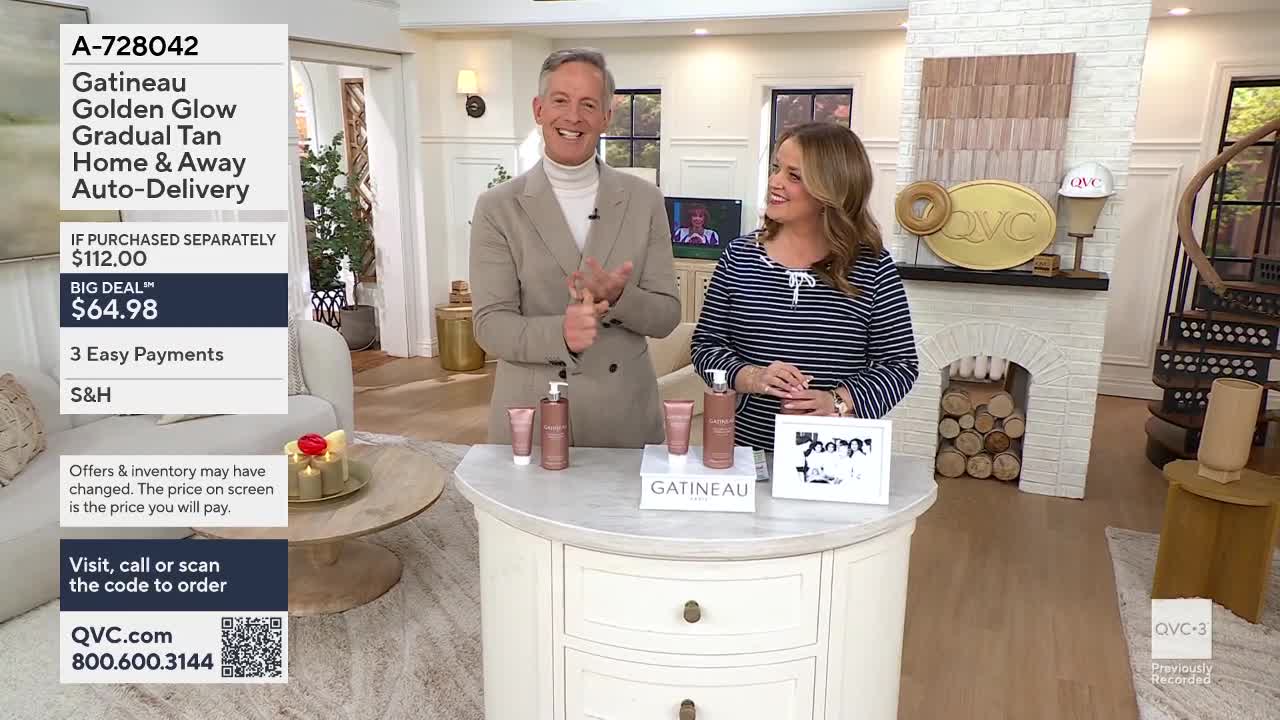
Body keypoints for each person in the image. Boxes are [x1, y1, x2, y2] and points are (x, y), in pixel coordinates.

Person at [469, 48, 681, 448]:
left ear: (606, 116)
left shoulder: (644, 199)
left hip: (623, 415)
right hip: (531, 416)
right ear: (538, 109)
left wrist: (620, 296)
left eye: (588, 104)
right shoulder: (497, 207)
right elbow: (489, 326)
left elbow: (667, 315)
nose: (573, 116)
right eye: (560, 101)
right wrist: (561, 333)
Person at [691, 122, 919, 453]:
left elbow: (899, 365)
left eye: (793, 176)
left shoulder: (872, 267)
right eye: (776, 168)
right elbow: (705, 346)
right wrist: (751, 376)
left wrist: (838, 401)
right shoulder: (739, 257)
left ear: (832, 191)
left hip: (833, 456)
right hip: (745, 453)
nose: (774, 182)